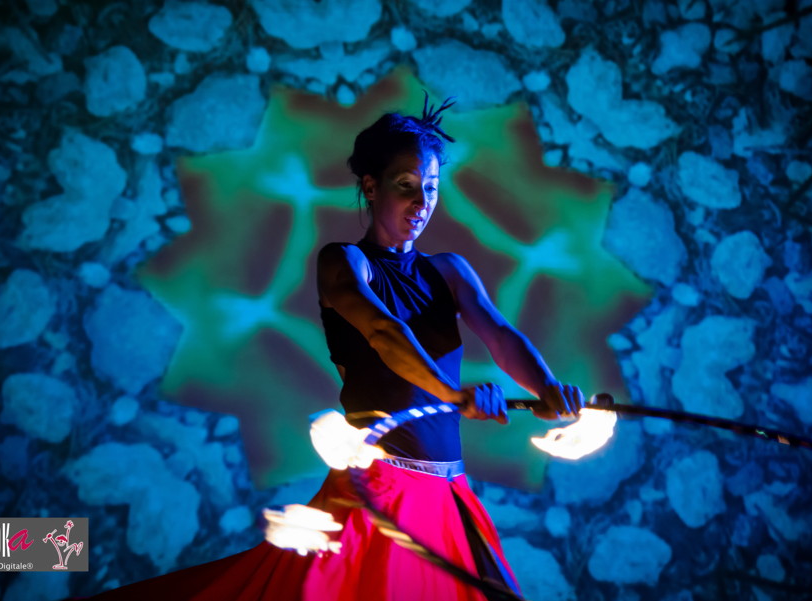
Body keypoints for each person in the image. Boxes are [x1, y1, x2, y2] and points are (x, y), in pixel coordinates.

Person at [92, 96, 584, 601]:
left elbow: (500, 335)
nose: (421, 202)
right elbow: (384, 332)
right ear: (370, 187)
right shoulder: (345, 262)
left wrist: (547, 388)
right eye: (405, 185)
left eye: (431, 188)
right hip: (380, 487)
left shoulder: (451, 271)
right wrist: (452, 394)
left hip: (446, 495)